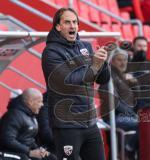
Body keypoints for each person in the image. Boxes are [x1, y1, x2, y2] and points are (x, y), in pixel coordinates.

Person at [41, 8, 110, 160]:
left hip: (90, 122)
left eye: (75, 22)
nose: (72, 26)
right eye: (67, 22)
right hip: (67, 124)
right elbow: (67, 82)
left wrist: (103, 63)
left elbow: (102, 79)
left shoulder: (85, 46)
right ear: (58, 26)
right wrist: (95, 66)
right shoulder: (50, 52)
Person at [99, 48, 138, 160]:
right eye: (119, 60)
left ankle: (130, 150)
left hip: (123, 116)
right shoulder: (108, 78)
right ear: (112, 61)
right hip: (113, 118)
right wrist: (133, 114)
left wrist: (135, 85)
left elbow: (134, 101)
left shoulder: (122, 77)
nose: (123, 63)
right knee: (143, 124)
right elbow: (114, 103)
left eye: (125, 60)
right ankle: (129, 149)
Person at [0, 88, 56, 160]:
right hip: (6, 151)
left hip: (22, 152)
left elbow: (29, 140)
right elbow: (7, 140)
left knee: (51, 158)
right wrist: (29, 152)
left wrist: (41, 150)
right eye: (39, 102)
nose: (42, 105)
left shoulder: (32, 117)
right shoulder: (14, 115)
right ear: (30, 102)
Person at [128, 36, 150, 110]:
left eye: (144, 46)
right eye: (139, 46)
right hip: (131, 107)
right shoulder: (126, 64)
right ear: (133, 47)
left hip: (148, 107)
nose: (142, 49)